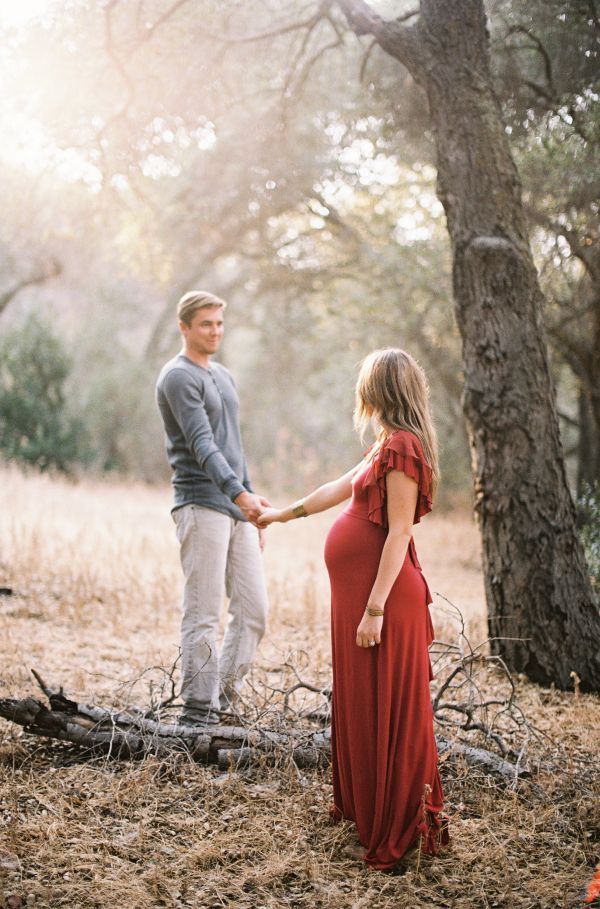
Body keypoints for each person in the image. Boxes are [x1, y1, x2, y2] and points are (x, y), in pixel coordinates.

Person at [258, 348, 449, 870]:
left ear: (381, 389)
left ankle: (398, 826)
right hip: (363, 600)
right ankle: (369, 811)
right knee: (365, 704)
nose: (360, 392)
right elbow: (333, 491)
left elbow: (400, 532)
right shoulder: (386, 444)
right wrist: (279, 515)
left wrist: (375, 609)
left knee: (388, 707)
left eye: (366, 383)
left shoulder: (405, 448)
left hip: (382, 602)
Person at [155, 290, 270, 728]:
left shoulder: (223, 375)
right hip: (201, 503)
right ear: (184, 327)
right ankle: (198, 712)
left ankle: (221, 696)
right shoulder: (178, 377)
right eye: (206, 324)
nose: (215, 331)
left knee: (253, 609)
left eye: (220, 323)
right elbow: (202, 445)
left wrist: (251, 502)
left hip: (235, 505)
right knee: (204, 611)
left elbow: (232, 447)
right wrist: (239, 495)